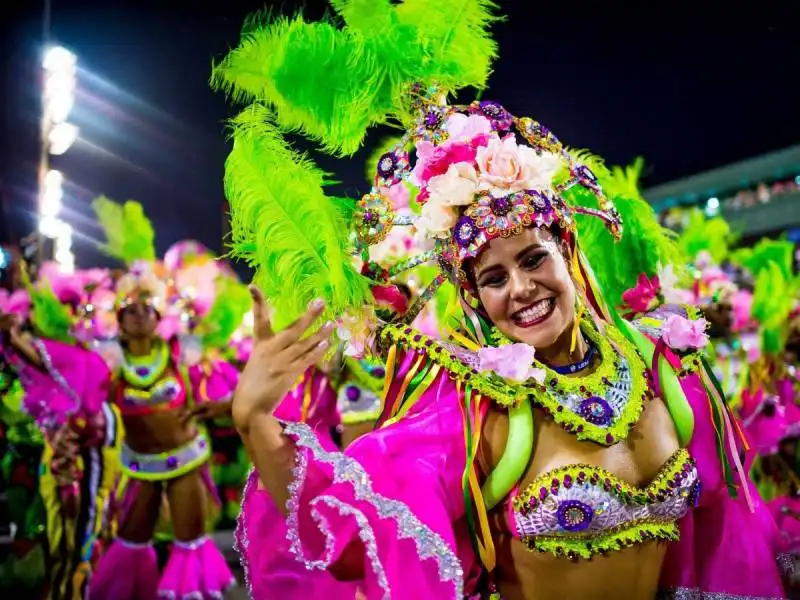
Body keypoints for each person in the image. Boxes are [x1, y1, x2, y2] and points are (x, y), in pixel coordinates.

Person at [215, 3, 789, 598]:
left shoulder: (665, 369)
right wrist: (255, 420)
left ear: (568, 249)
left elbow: (726, 535)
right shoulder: (469, 408)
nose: (519, 288)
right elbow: (355, 527)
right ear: (473, 296)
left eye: (534, 258)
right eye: (492, 278)